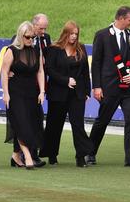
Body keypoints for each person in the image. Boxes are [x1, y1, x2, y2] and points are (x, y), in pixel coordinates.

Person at [87, 6, 130, 167]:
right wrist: (96, 87)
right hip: (109, 87)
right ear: (120, 18)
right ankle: (90, 153)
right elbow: (96, 62)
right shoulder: (102, 35)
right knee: (102, 121)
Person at [39, 21, 93, 167]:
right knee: (54, 125)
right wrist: (65, 81)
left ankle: (81, 156)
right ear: (65, 33)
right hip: (58, 93)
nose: (74, 37)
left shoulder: (81, 48)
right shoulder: (54, 49)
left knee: (78, 125)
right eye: (71, 34)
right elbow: (50, 70)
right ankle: (51, 154)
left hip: (77, 94)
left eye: (76, 34)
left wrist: (87, 91)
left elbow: (85, 72)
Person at [2, 21, 45, 169]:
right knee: (21, 123)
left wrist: (42, 91)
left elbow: (40, 71)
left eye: (32, 37)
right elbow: (4, 72)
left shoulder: (36, 50)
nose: (30, 40)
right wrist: (6, 94)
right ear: (21, 36)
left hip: (32, 93)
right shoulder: (11, 50)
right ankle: (27, 156)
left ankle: (15, 156)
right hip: (16, 93)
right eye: (27, 37)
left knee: (33, 124)